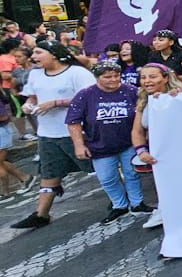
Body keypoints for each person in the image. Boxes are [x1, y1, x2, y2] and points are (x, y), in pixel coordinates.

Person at [10, 43, 96, 229]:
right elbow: (32, 96)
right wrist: (28, 105)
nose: (34, 56)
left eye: (39, 52)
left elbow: (92, 97)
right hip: (47, 134)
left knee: (99, 168)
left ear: (55, 55)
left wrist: (57, 103)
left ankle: (125, 201)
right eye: (33, 52)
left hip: (76, 132)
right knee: (49, 173)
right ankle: (41, 214)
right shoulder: (35, 74)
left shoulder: (77, 73)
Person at [65, 61, 146, 224]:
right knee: (107, 178)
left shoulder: (131, 91)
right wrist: (79, 145)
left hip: (128, 142)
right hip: (99, 145)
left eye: (117, 76)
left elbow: (147, 104)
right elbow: (73, 122)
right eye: (107, 77)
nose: (113, 80)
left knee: (132, 173)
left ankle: (137, 203)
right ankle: (119, 205)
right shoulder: (85, 95)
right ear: (97, 78)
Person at [131, 63, 182, 230]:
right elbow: (137, 130)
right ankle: (164, 210)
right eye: (143, 77)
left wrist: (175, 100)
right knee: (164, 184)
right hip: (159, 152)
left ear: (165, 78)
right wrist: (141, 151)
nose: (147, 81)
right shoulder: (143, 100)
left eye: (152, 77)